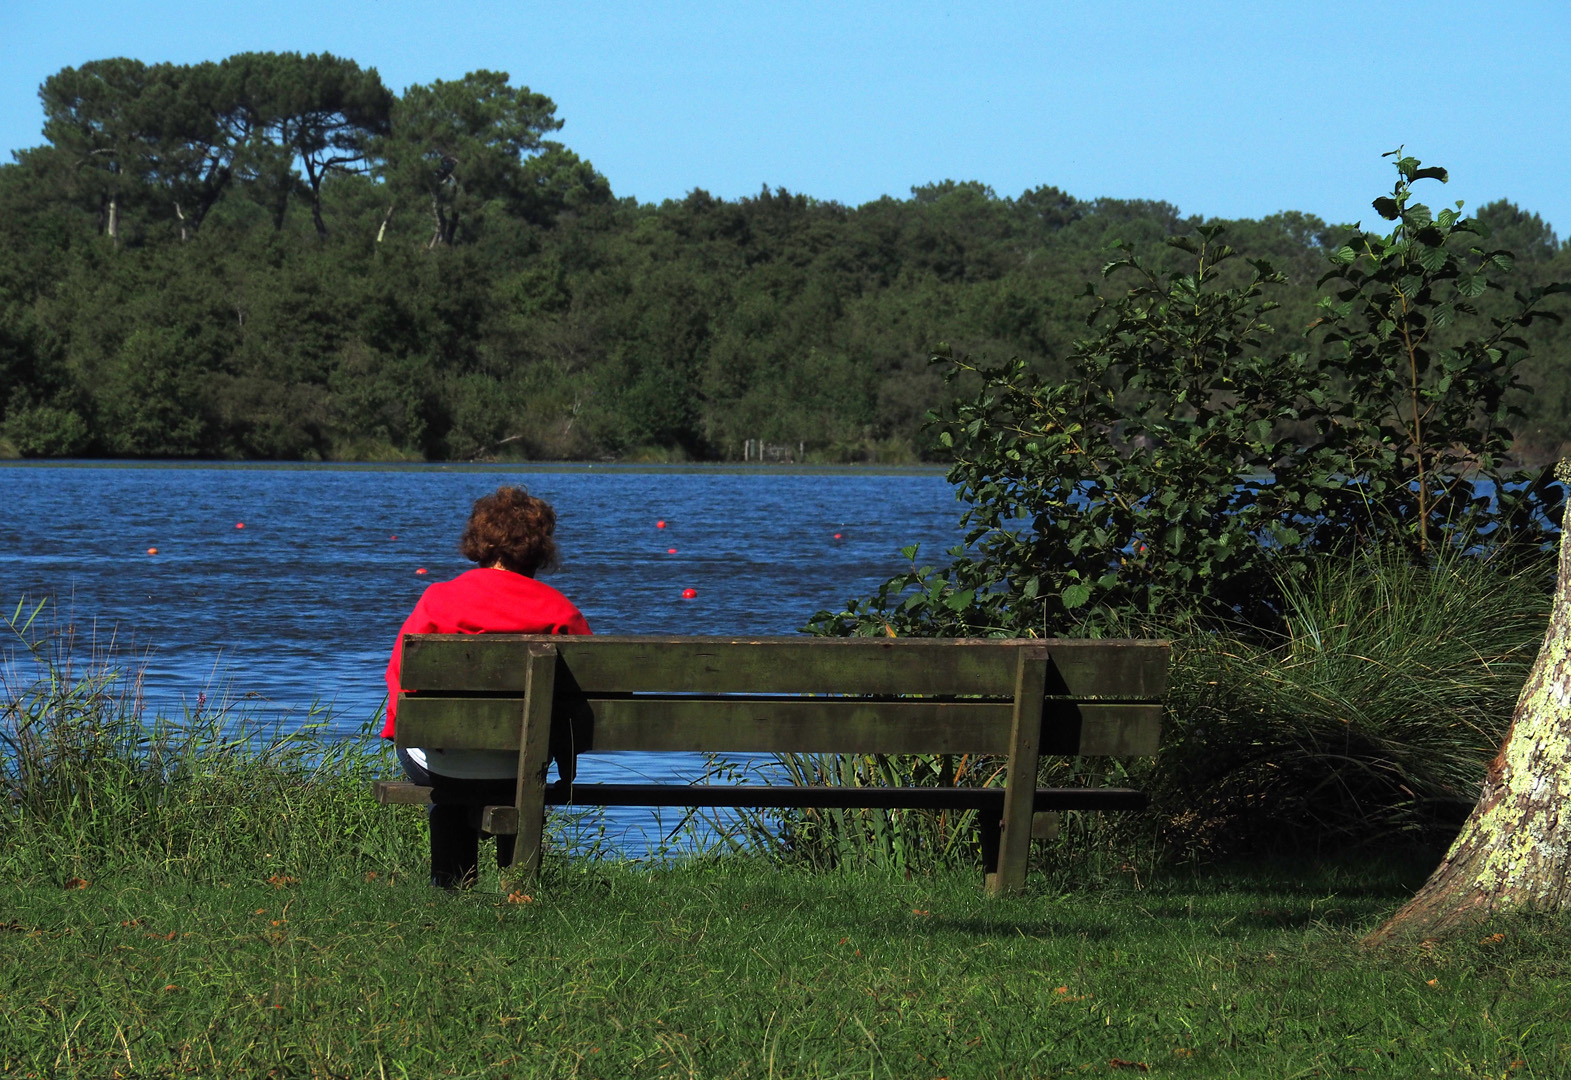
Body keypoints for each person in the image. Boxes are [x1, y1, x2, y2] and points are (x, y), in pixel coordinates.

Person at [383, 486, 592, 887]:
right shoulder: (558, 609)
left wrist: (420, 730)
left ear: (480, 544)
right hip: (519, 764)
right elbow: (589, 701)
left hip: (444, 760)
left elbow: (399, 682)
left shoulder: (438, 599)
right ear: (539, 550)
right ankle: (517, 884)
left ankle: (451, 882)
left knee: (440, 769)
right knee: (521, 753)